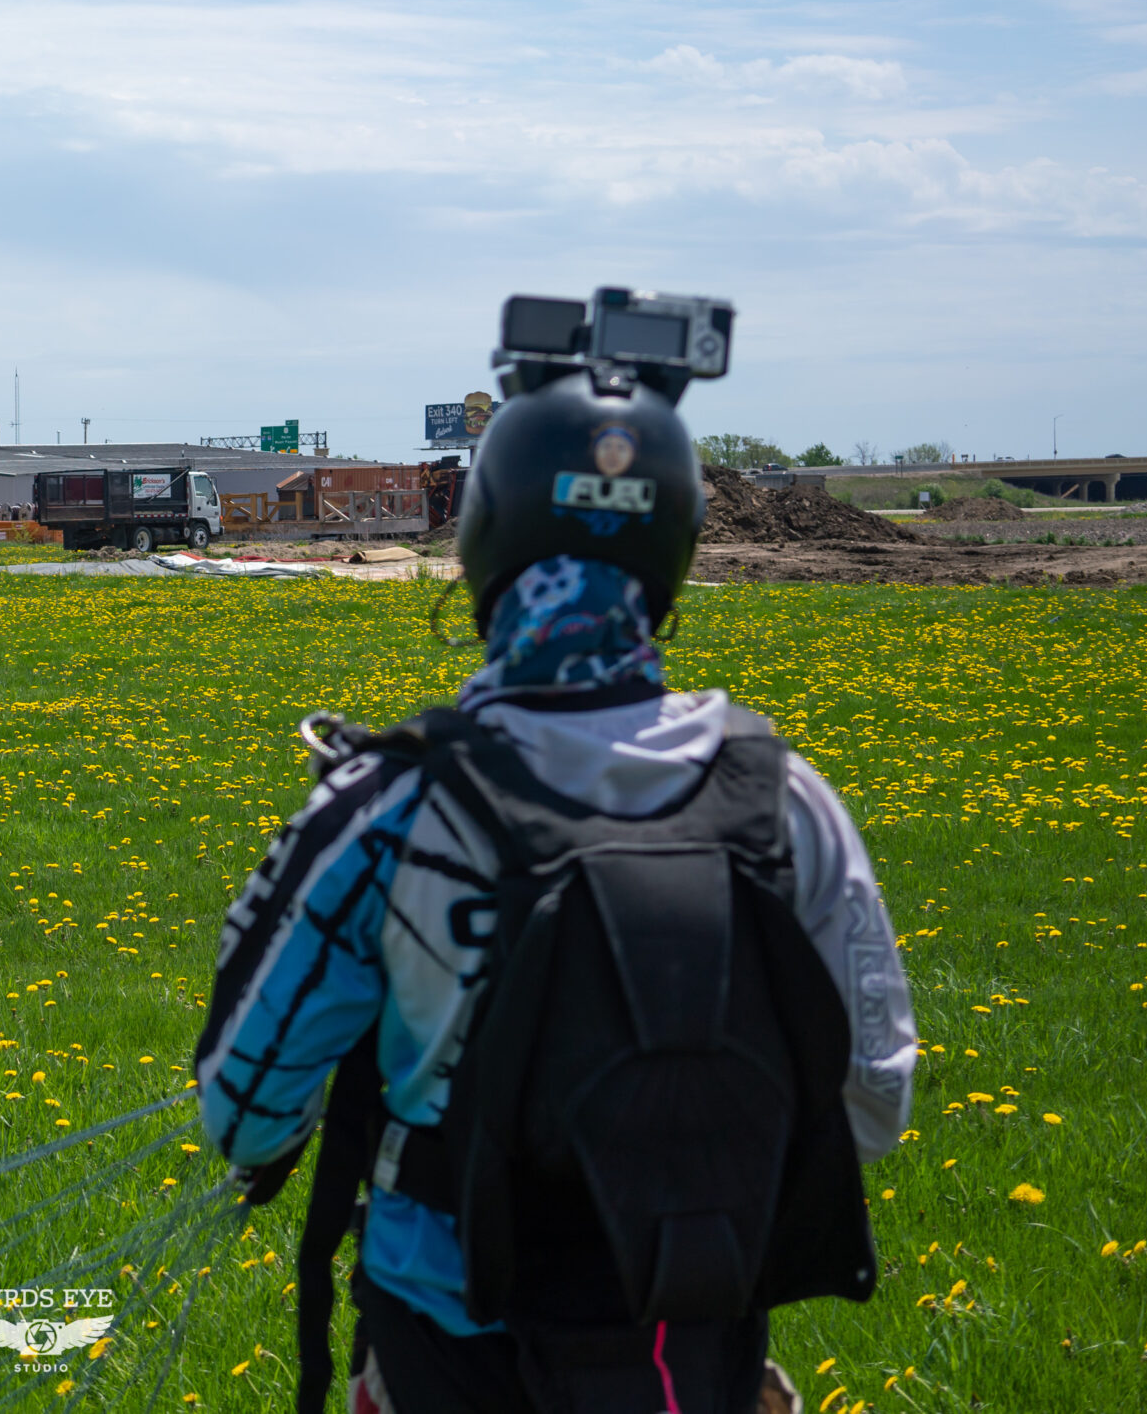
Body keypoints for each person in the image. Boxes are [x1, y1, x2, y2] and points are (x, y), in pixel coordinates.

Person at [195, 364, 915, 1414]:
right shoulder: (782, 801)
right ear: (674, 547)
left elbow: (245, 1112)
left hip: (448, 1349)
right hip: (691, 1345)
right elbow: (871, 1101)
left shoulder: (391, 804)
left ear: (481, 540)